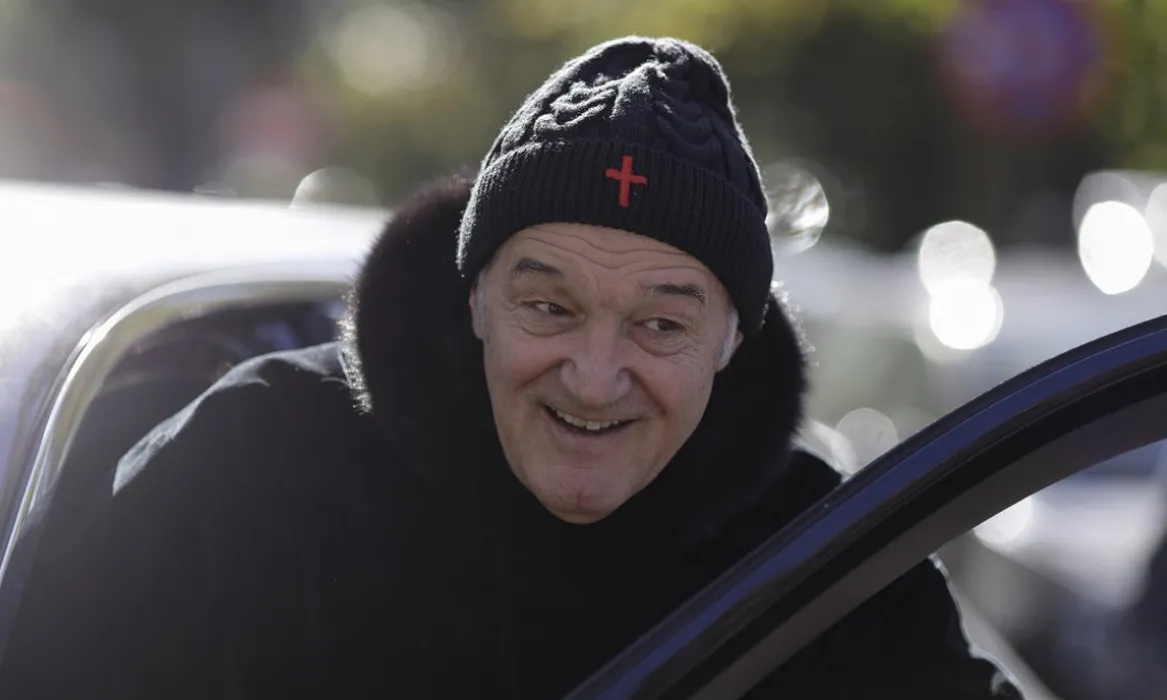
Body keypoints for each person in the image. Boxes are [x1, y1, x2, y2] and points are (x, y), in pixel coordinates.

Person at [0, 37, 1021, 698]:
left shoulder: (816, 563)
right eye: (549, 307)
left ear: (731, 344)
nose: (593, 376)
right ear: (475, 301)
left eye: (660, 326)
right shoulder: (253, 465)